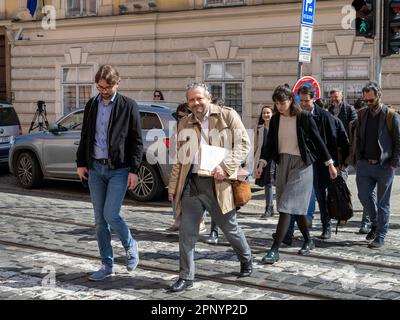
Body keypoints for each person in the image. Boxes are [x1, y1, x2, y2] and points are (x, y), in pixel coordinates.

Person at [168, 82, 253, 292]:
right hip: (192, 183)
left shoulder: (227, 115)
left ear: (209, 98)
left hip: (219, 183)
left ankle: (246, 258)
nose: (195, 103)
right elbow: (180, 158)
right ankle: (186, 276)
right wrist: (172, 186)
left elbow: (243, 145)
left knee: (229, 228)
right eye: (191, 100)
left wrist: (226, 167)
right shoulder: (184, 123)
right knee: (186, 233)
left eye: (199, 98)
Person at [255, 85, 337, 264]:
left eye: (282, 102)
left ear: (291, 100)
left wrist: (330, 163)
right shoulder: (275, 119)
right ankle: (309, 240)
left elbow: (318, 141)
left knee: (286, 205)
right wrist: (261, 163)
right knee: (295, 208)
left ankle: (274, 249)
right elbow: (269, 145)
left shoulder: (304, 116)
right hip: (282, 163)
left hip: (302, 166)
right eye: (276, 103)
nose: (279, 106)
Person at [76, 65, 143, 281]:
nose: (103, 91)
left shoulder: (128, 105)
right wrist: (81, 163)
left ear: (117, 83)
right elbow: (85, 134)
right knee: (99, 221)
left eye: (107, 87)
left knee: (111, 215)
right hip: (95, 168)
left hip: (119, 170)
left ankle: (130, 244)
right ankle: (107, 265)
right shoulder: (92, 105)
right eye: (100, 87)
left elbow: (136, 141)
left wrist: (135, 170)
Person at [298, 85, 349, 240]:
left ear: (313, 99)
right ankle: (300, 226)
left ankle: (326, 226)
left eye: (307, 101)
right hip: (306, 162)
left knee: (323, 196)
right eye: (302, 100)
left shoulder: (325, 117)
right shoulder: (299, 116)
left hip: (324, 163)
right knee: (310, 195)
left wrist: (335, 164)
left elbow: (333, 142)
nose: (304, 104)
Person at [355, 81, 400, 248]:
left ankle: (380, 235)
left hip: (384, 166)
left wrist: (393, 164)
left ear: (379, 95)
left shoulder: (391, 116)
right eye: (365, 100)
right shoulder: (362, 115)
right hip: (365, 164)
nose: (368, 103)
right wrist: (357, 159)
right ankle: (374, 223)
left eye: (371, 100)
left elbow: (398, 141)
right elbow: (358, 138)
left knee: (383, 203)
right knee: (363, 196)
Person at [167, 102, 207, 234]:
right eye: (179, 116)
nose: (181, 118)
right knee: (176, 191)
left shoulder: (198, 126)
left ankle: (201, 221)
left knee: (199, 194)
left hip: (196, 166)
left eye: (184, 116)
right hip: (181, 164)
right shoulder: (179, 125)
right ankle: (178, 220)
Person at [254, 105, 275, 219]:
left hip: (273, 158)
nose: (266, 115)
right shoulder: (259, 128)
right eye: (264, 113)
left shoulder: (276, 127)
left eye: (268, 112)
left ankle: (271, 207)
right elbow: (256, 144)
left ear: (272, 114)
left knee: (270, 182)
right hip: (262, 157)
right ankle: (269, 207)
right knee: (267, 183)